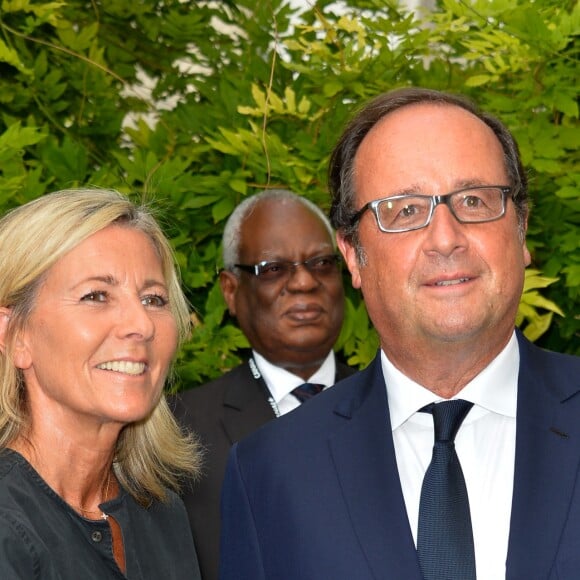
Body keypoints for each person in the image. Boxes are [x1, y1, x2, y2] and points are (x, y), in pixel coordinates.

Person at [219, 88, 580, 580]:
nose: (446, 237)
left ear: (521, 230)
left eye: (475, 200)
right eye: (405, 210)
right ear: (352, 255)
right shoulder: (271, 473)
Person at [0, 188, 203, 579]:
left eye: (154, 300)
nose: (141, 325)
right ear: (14, 336)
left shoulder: (162, 513)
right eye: (96, 295)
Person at [173, 188, 354, 580]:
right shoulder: (179, 431)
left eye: (322, 263)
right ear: (231, 291)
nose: (305, 282)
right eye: (273, 268)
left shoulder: (399, 405)